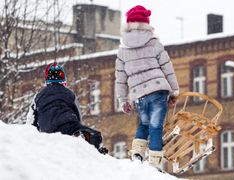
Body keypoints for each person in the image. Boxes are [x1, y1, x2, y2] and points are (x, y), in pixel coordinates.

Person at [115, 5, 179, 169]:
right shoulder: (154, 43)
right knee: (156, 125)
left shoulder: (122, 50)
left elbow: (120, 79)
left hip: (139, 95)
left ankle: (137, 155)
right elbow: (167, 68)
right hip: (158, 91)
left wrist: (123, 100)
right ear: (146, 24)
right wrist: (174, 91)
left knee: (144, 123)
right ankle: (154, 163)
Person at [27, 62, 108, 154]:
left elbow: (31, 121)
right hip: (68, 125)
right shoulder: (69, 94)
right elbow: (78, 114)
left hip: (47, 131)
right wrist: (78, 126)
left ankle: (81, 141)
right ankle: (91, 147)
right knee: (96, 135)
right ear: (63, 79)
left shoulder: (38, 96)